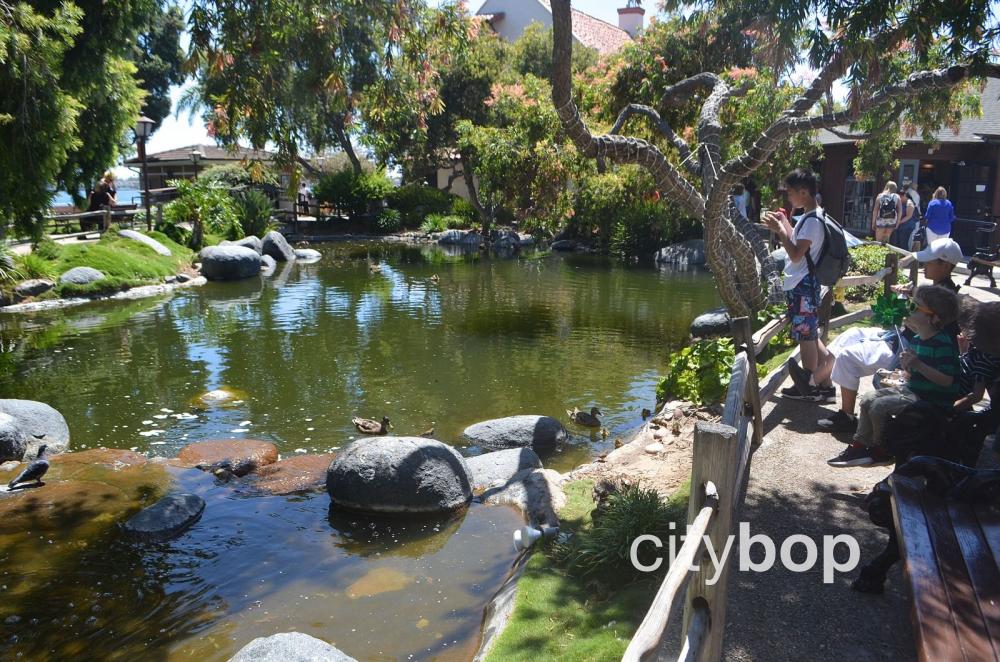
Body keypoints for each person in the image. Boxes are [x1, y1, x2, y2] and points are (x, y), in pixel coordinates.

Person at [813, 238, 964, 433]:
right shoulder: (939, 292)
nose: (924, 265)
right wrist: (910, 297)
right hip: (901, 337)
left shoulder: (943, 300)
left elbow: (928, 333)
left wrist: (908, 308)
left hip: (906, 345)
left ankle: (844, 412)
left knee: (848, 356)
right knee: (851, 333)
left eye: (930, 261)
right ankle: (819, 382)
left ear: (945, 265)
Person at [827, 284, 961, 467]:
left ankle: (883, 450)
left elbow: (946, 380)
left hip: (932, 401)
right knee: (867, 400)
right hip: (915, 392)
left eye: (914, 306)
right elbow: (913, 374)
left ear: (934, 318)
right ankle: (859, 445)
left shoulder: (942, 344)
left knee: (879, 407)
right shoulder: (917, 339)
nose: (909, 309)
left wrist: (918, 365)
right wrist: (907, 368)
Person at [763, 168, 835, 401]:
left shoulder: (812, 220)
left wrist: (779, 233)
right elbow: (799, 242)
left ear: (804, 192)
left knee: (806, 336)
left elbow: (795, 254)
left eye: (791, 192)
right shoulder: (811, 215)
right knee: (810, 333)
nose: (789, 197)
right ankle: (825, 384)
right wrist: (784, 223)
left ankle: (808, 384)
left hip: (803, 284)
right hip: (805, 283)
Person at [954, 301, 1000, 412]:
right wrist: (964, 351)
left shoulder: (985, 359)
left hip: (956, 400)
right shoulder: (979, 351)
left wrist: (950, 409)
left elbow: (977, 395)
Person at [891, 179, 920, 250]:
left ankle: (904, 258)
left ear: (904, 196)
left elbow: (908, 216)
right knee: (897, 243)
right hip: (901, 226)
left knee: (903, 243)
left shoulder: (909, 203)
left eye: (900, 197)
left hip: (907, 226)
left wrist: (898, 222)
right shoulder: (902, 202)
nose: (899, 199)